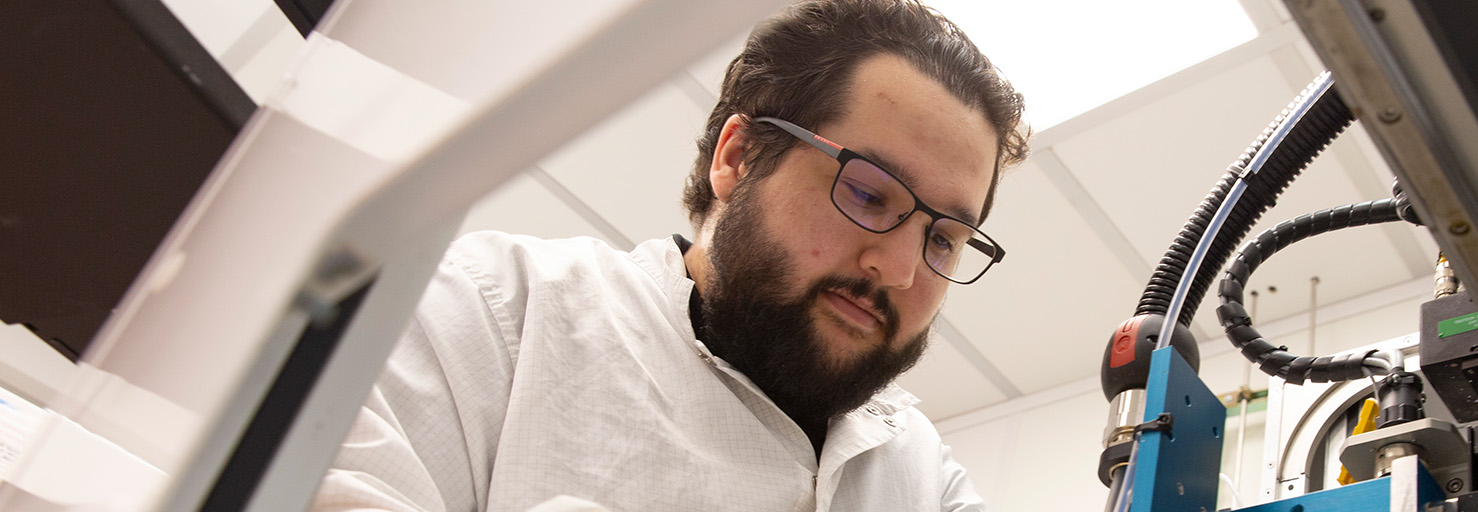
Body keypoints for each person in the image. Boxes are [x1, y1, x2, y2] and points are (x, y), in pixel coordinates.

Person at [310, 0, 1028, 510]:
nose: (898, 270)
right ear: (740, 156)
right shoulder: (498, 309)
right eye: (870, 195)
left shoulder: (920, 469)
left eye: (942, 239)